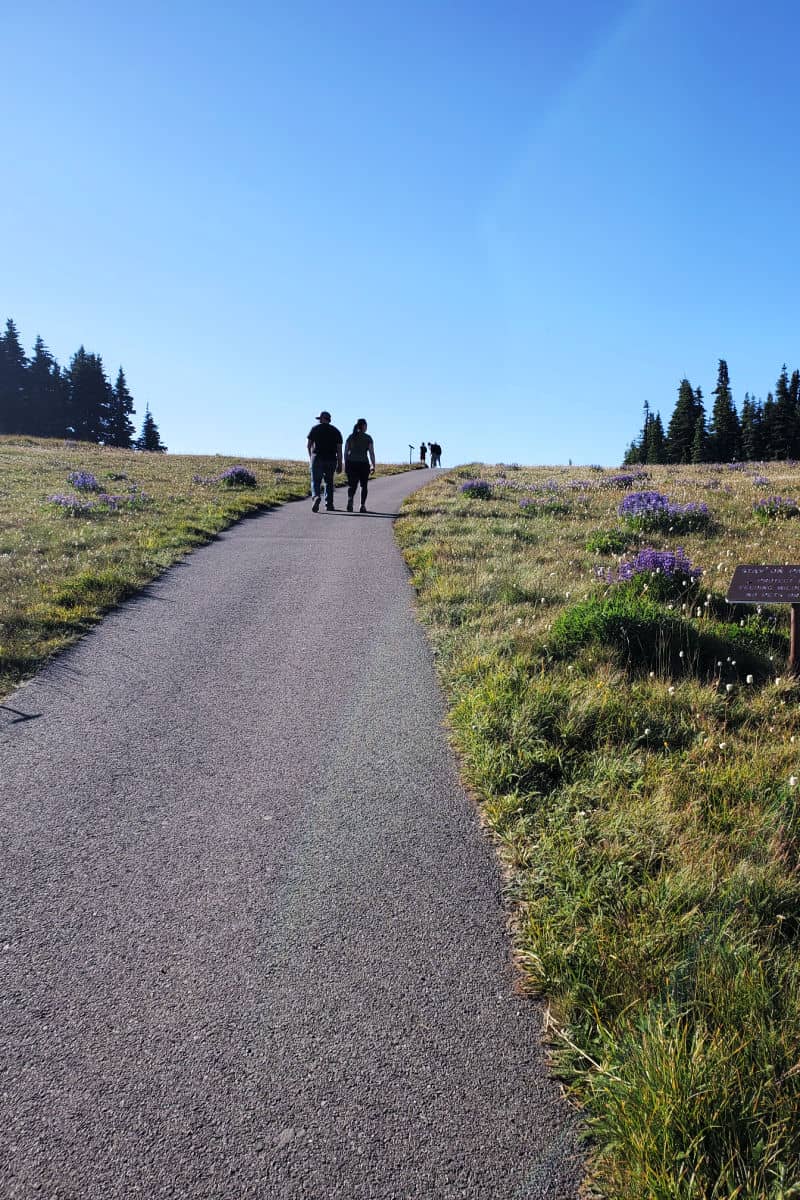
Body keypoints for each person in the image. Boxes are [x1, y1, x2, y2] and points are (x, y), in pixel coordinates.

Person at [307, 411, 343, 511]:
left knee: (315, 481)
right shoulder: (336, 431)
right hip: (331, 459)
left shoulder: (315, 429)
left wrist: (311, 458)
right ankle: (329, 504)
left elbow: (309, 445)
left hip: (317, 457)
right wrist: (340, 464)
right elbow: (339, 450)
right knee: (329, 482)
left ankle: (316, 496)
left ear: (322, 419)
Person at [344, 418, 376, 512]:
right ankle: (362, 505)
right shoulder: (368, 438)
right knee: (363, 485)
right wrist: (373, 465)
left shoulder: (351, 437)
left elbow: (346, 451)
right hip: (363, 463)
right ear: (364, 426)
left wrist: (345, 463)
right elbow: (371, 453)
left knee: (352, 485)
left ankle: (350, 499)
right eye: (366, 426)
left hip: (351, 463)